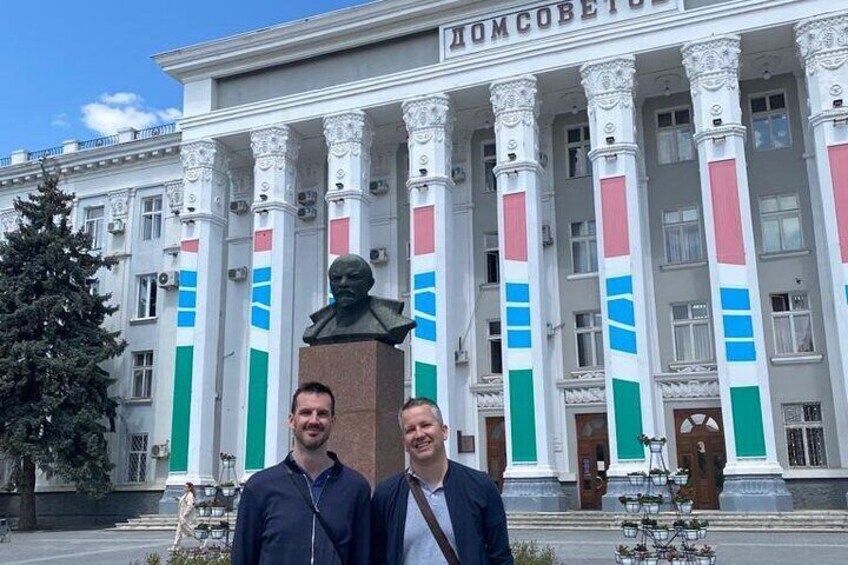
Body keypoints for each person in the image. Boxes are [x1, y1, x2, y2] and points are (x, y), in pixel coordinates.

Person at [231, 381, 371, 565]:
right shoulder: (260, 487)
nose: (314, 420)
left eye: (322, 414)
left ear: (333, 422)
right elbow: (242, 557)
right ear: (292, 420)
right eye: (306, 412)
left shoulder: (355, 488)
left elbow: (363, 557)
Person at [372, 397, 514, 564]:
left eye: (426, 425)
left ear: (444, 431)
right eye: (410, 430)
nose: (419, 434)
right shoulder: (386, 494)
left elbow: (500, 556)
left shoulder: (480, 486)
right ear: (404, 442)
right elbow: (377, 557)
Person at [303, 254, 415, 346]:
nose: (343, 284)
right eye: (336, 278)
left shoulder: (392, 323)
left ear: (370, 284)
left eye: (353, 278)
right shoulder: (317, 328)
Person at [171, 482, 195, 550]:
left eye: (185, 487)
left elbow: (190, 506)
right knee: (179, 531)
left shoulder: (190, 495)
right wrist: (178, 499)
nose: (184, 488)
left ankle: (202, 540)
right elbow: (183, 500)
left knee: (190, 530)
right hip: (182, 517)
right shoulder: (186, 494)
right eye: (184, 486)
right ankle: (175, 545)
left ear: (189, 488)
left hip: (186, 517)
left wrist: (185, 514)